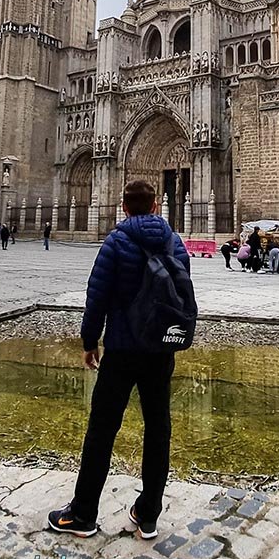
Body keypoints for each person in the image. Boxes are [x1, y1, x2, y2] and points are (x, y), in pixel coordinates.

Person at [47, 179, 193, 540]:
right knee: (158, 428)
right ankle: (148, 514)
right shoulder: (175, 242)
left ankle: (82, 514)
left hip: (123, 349)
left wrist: (89, 341)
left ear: (124, 207)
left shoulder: (116, 241)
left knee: (102, 429)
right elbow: (183, 293)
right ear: (157, 205)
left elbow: (96, 296)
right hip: (160, 351)